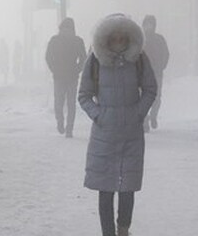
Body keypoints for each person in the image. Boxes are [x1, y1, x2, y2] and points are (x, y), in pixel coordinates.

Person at [78, 13, 157, 236]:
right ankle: (107, 233)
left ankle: (123, 229)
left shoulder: (139, 59)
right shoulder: (95, 60)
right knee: (105, 190)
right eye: (115, 37)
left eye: (124, 37)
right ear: (107, 37)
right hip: (104, 135)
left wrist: (138, 113)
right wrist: (99, 115)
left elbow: (150, 89)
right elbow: (84, 95)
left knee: (127, 188)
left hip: (131, 134)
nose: (119, 41)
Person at [44, 17, 87, 137]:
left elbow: (84, 58)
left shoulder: (76, 41)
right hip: (61, 76)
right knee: (60, 103)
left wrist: (76, 70)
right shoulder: (56, 40)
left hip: (69, 77)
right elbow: (48, 57)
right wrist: (55, 70)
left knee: (69, 103)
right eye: (65, 28)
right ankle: (61, 122)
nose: (67, 31)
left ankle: (69, 129)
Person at [141, 15, 170, 131]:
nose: (149, 26)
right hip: (142, 74)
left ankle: (153, 116)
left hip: (157, 73)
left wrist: (162, 66)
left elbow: (166, 54)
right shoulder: (140, 39)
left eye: (151, 24)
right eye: (147, 24)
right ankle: (145, 121)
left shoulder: (160, 39)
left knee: (156, 97)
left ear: (154, 25)